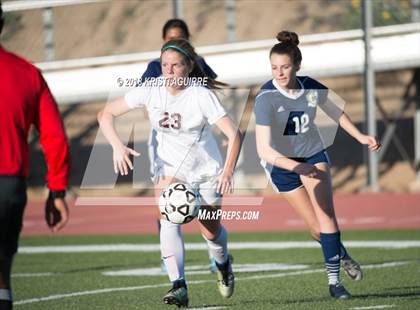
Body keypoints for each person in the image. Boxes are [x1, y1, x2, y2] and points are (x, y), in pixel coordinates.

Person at [98, 38, 241, 307]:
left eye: (176, 65)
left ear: (188, 67)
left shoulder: (201, 95)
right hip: (171, 169)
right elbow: (105, 114)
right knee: (168, 216)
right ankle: (178, 285)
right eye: (165, 65)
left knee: (210, 230)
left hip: (206, 171)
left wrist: (228, 170)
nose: (169, 70)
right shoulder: (151, 89)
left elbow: (234, 134)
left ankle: (223, 264)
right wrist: (118, 147)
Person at [254, 31, 381, 299]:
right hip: (282, 165)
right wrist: (294, 167)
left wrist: (360, 136)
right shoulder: (266, 98)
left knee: (326, 215)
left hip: (312, 154)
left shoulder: (310, 86)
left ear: (297, 66)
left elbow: (334, 109)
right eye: (274, 68)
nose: (279, 73)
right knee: (315, 228)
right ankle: (341, 254)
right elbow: (263, 149)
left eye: (285, 67)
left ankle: (335, 283)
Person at [0, 4, 70, 310]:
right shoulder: (27, 73)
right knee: (1, 272)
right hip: (9, 188)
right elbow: (53, 137)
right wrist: (56, 189)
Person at [141, 18, 219, 274]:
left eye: (179, 36)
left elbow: (209, 98)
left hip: (197, 146)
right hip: (165, 146)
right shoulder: (155, 67)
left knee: (208, 213)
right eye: (168, 37)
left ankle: (215, 254)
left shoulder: (198, 64)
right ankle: (172, 264)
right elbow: (144, 102)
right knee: (166, 203)